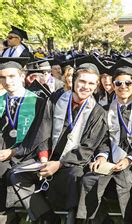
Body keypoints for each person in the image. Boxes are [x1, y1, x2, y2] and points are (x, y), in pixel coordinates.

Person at [9, 57, 110, 223]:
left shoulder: (98, 112)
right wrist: (43, 158)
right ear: (73, 80)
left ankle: (72, 218)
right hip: (46, 158)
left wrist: (59, 164)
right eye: (82, 81)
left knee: (75, 176)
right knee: (16, 175)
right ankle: (47, 217)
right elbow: (42, 131)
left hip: (70, 163)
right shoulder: (56, 100)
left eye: (91, 84)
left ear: (96, 85)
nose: (86, 87)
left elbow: (87, 147)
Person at [77, 58, 132, 223]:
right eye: (118, 83)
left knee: (127, 181)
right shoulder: (103, 110)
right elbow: (101, 138)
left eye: (128, 83)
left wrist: (129, 159)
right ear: (113, 85)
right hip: (110, 160)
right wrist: (102, 156)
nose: (123, 87)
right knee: (89, 179)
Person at [0, 57, 47, 222]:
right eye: (3, 77)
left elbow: (40, 136)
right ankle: (6, 214)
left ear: (22, 77)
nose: (7, 81)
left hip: (29, 154)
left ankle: (41, 215)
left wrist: (14, 151)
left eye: (12, 76)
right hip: (4, 153)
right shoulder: (0, 102)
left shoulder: (38, 102)